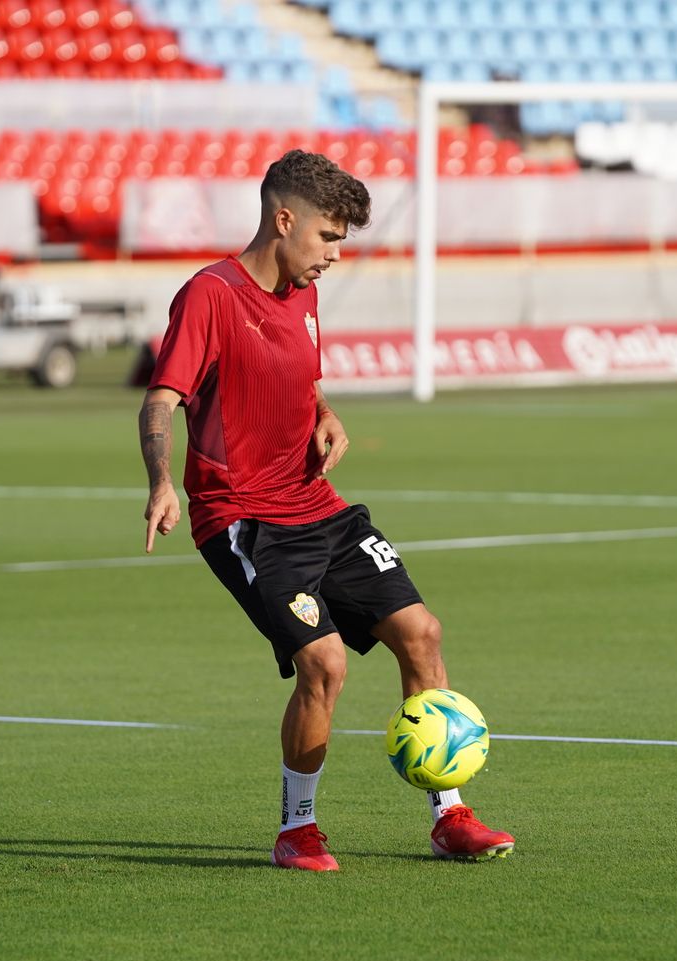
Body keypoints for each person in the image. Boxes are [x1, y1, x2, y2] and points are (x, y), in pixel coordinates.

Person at [137, 149, 513, 871]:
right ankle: (297, 830)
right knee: (326, 662)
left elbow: (301, 379)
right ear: (284, 220)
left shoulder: (302, 293)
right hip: (246, 520)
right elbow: (161, 401)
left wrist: (324, 413)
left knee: (422, 634)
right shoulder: (209, 296)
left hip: (319, 505)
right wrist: (162, 482)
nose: (335, 255)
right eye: (328, 237)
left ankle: (450, 814)